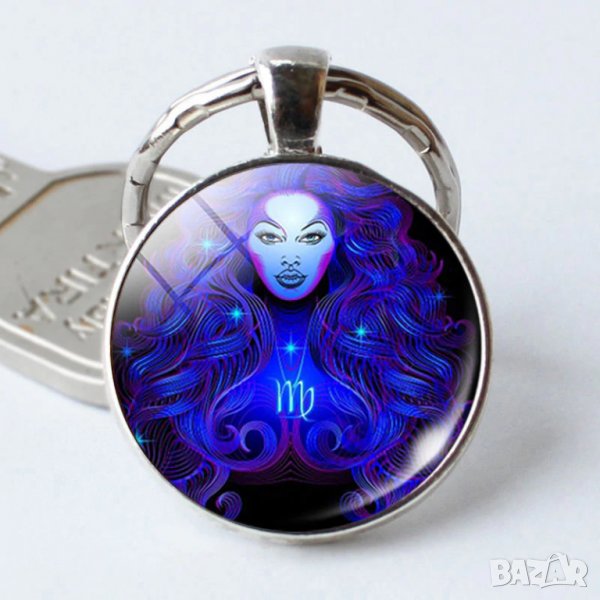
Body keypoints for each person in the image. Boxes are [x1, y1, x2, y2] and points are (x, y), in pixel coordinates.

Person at [112, 162, 474, 529]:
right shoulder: (201, 346)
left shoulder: (380, 346)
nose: (290, 256)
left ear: (341, 243)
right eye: (271, 238)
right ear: (241, 244)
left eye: (311, 237)